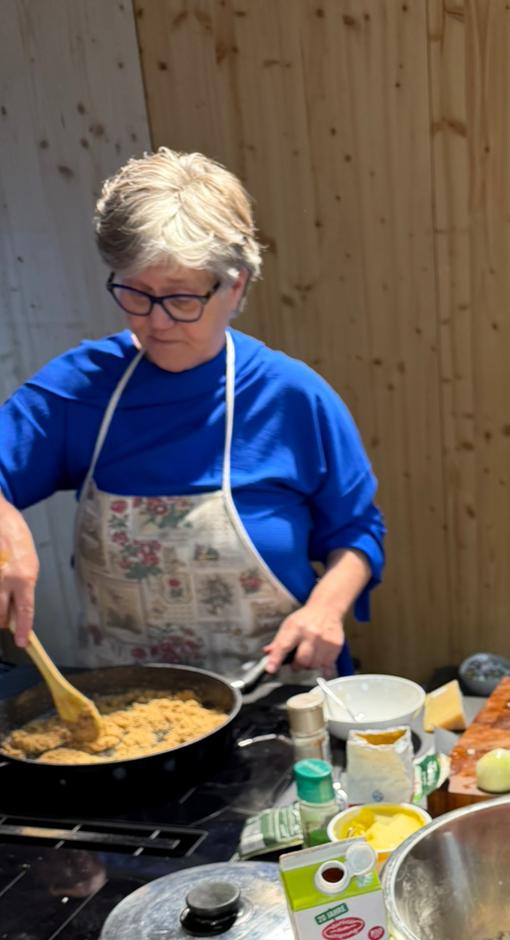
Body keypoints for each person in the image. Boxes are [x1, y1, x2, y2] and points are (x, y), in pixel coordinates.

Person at [0, 148, 385, 678]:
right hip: (126, 713)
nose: (156, 321)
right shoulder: (82, 390)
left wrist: (326, 607)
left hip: (274, 699)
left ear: (236, 285)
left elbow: (357, 531)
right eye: (136, 293)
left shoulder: (294, 398)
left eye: (181, 297)